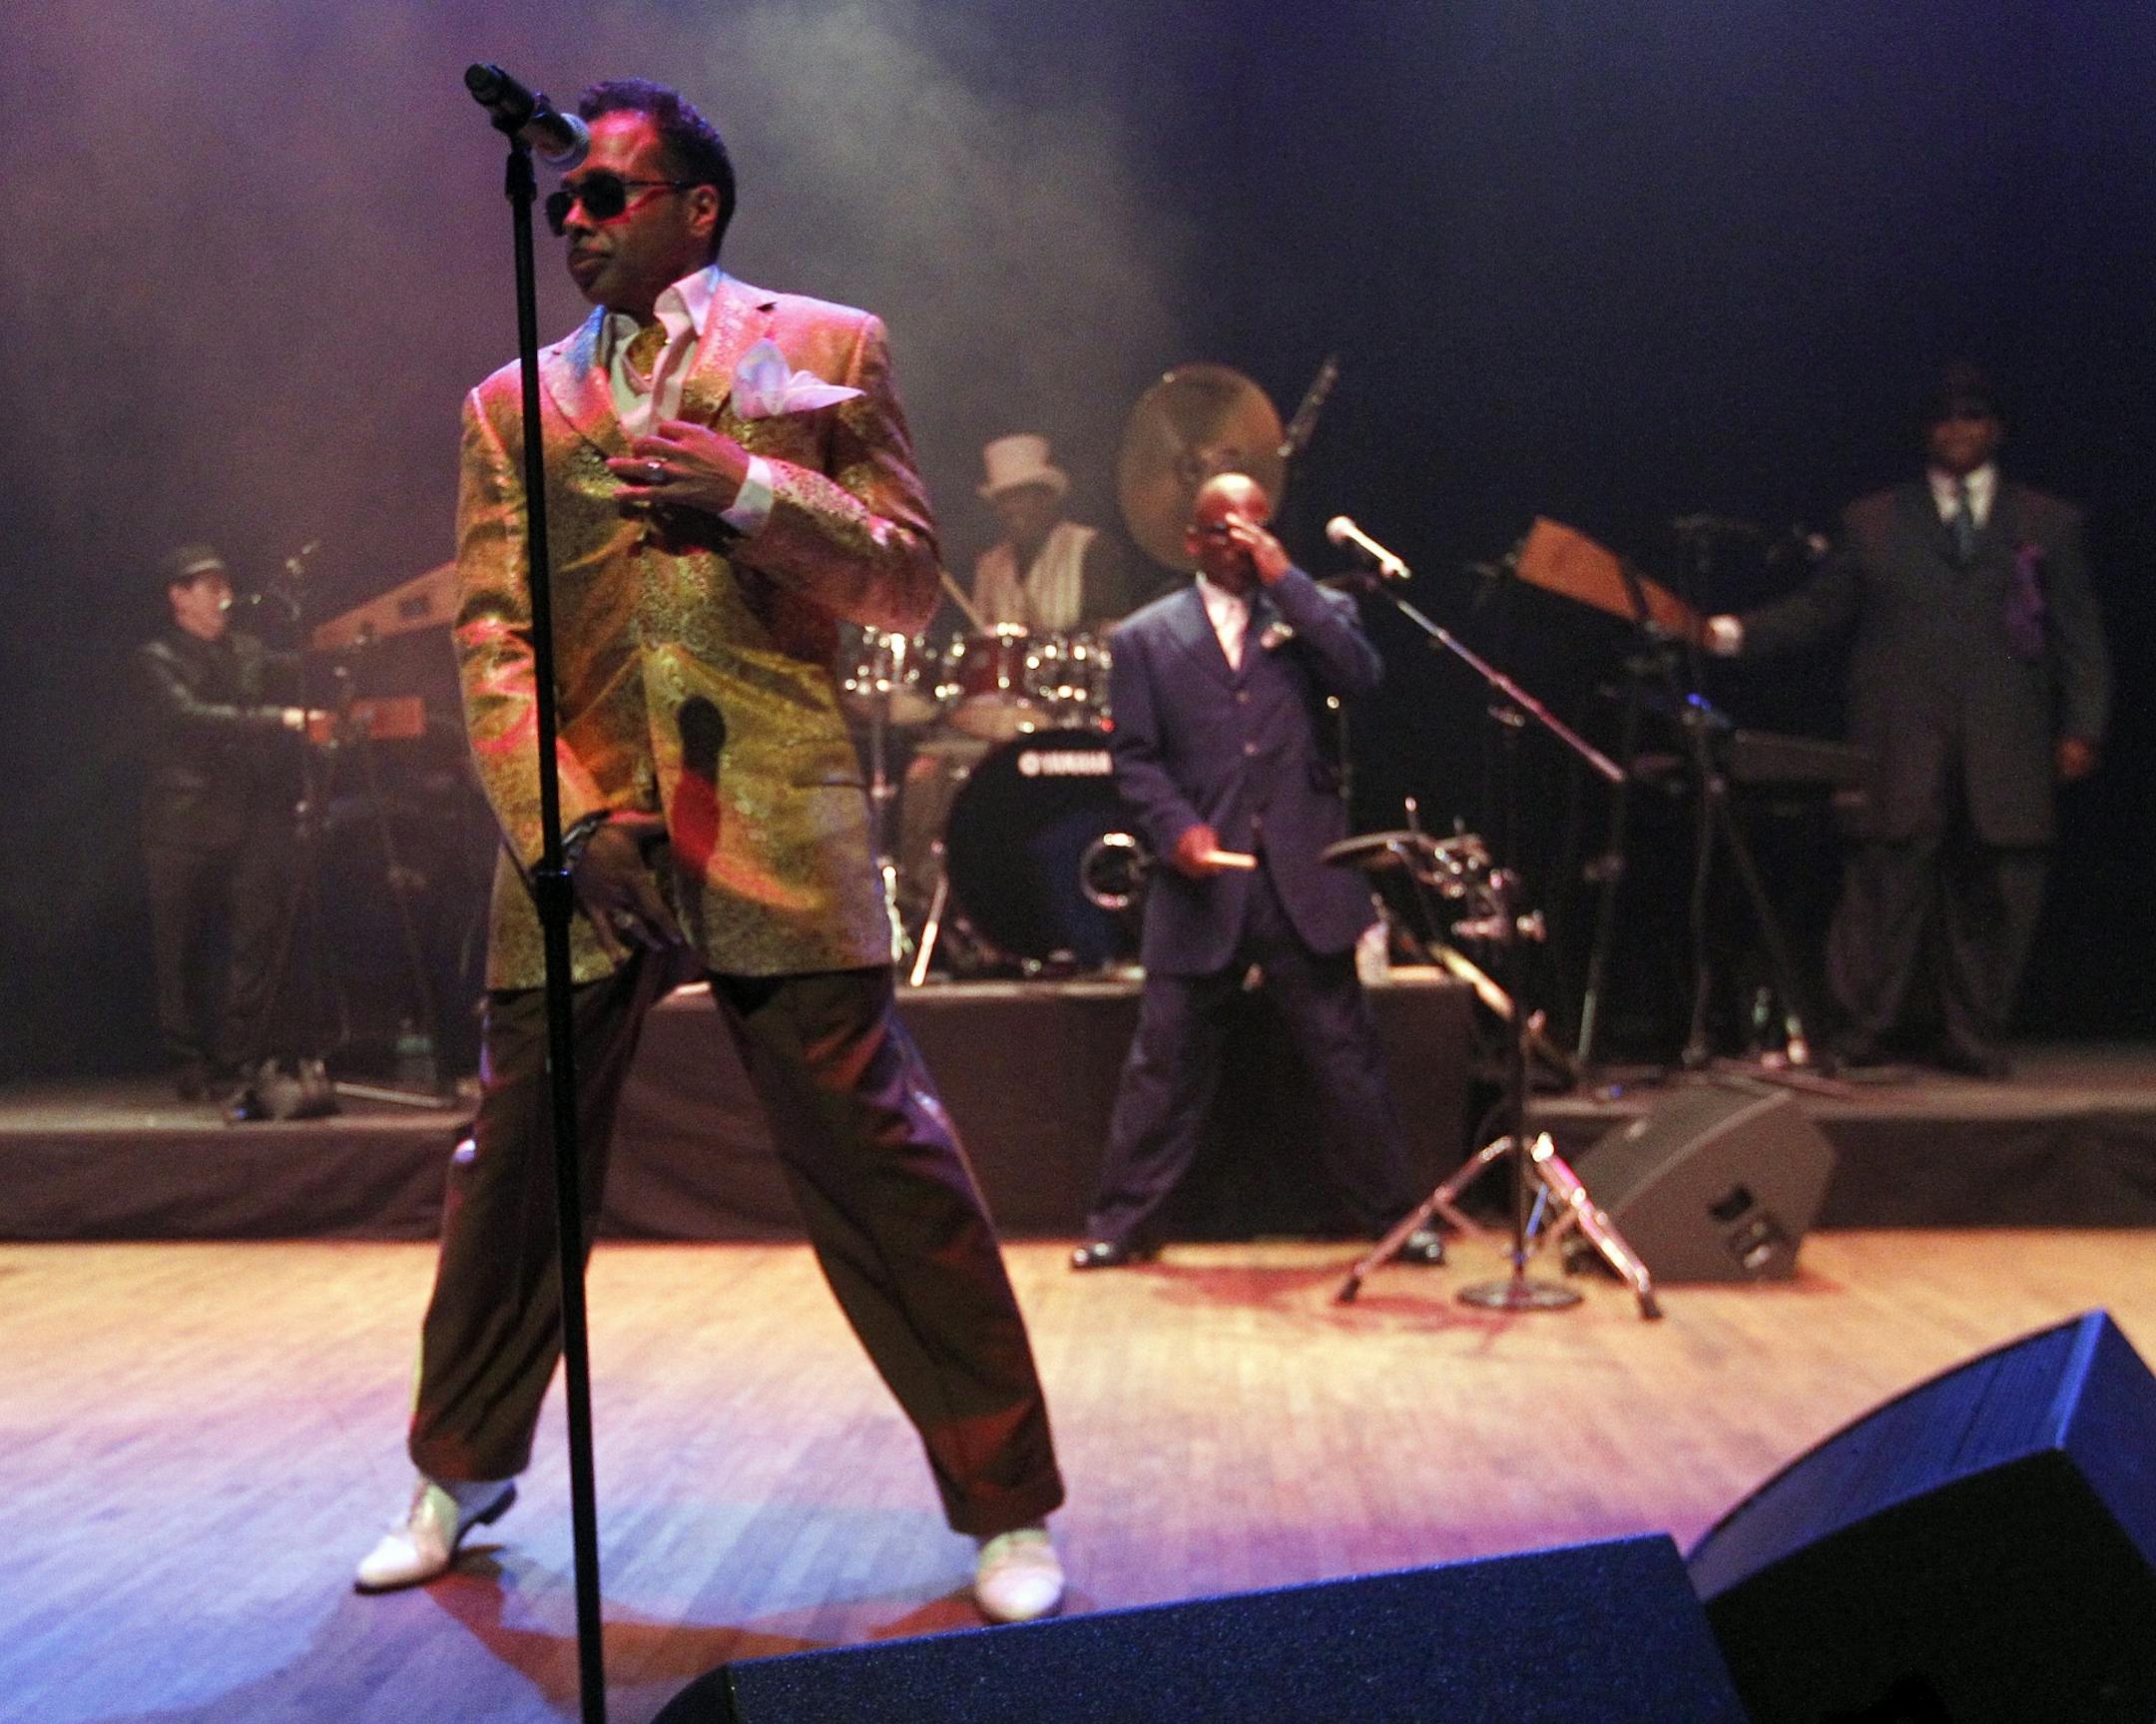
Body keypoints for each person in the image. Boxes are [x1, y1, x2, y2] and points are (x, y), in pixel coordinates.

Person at [353, 79, 1064, 1624]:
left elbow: (910, 581)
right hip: (586, 837)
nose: (578, 222)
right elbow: (491, 633)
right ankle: (458, 1469)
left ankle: (1006, 1500)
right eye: (566, 205)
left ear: (697, 207)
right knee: (512, 1172)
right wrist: (563, 819)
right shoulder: (508, 405)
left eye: (609, 195)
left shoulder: (827, 348)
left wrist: (748, 491)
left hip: (773, 818)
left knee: (885, 1166)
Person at [1071, 473, 1446, 1269]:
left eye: (1254, 530)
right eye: (1224, 533)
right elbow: (1134, 759)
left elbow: (1361, 672)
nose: (1239, 547)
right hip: (1204, 883)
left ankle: (1394, 1219)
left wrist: (1286, 578)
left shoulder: (1309, 615)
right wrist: (1176, 832)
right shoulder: (1146, 637)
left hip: (1301, 876)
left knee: (1346, 1057)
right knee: (1164, 1062)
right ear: (1193, 542)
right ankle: (1120, 1225)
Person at [1705, 362, 2110, 1078]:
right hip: (1901, 730)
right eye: (1945, 417)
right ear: (1927, 431)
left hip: (2005, 732)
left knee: (1996, 890)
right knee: (1883, 882)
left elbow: (2079, 633)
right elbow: (1821, 609)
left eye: (1973, 415)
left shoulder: (2048, 522)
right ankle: (1860, 1032)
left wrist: (2084, 724)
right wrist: (1735, 631)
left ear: (1997, 428)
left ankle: (1977, 1037)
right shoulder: (1876, 520)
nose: (1958, 428)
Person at [137, 545, 310, 1101]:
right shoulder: (156, 658)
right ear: (178, 597)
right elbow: (185, 719)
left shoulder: (248, 650)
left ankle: (240, 1055)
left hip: (248, 817)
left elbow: (297, 669)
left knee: (254, 936)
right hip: (182, 821)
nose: (221, 595)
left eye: (222, 584)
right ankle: (188, 1059)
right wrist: (278, 720)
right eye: (207, 586)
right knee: (181, 946)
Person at [969, 433, 1137, 632]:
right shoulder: (989, 566)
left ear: (1048, 498)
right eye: (1004, 499)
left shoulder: (1091, 549)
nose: (1012, 508)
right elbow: (981, 642)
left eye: (1022, 496)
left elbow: (1112, 633)